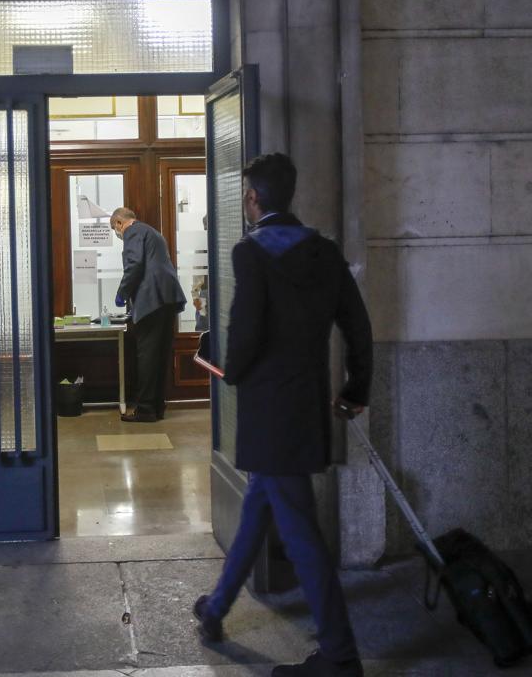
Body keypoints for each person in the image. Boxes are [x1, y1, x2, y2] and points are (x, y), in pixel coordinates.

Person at [191, 154, 373, 677]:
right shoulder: (325, 253)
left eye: (247, 194)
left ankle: (340, 656)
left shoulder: (250, 253)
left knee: (301, 535)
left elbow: (245, 331)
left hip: (268, 410)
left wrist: (232, 371)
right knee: (259, 507)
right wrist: (355, 388)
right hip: (306, 405)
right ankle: (217, 606)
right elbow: (357, 327)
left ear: (253, 199)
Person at [110, 207, 187, 423]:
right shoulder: (152, 232)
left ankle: (144, 411)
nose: (118, 234)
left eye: (115, 229)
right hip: (167, 299)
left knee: (147, 355)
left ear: (119, 223)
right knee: (161, 354)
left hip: (152, 300)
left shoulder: (132, 232)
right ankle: (156, 408)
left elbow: (134, 265)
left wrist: (121, 293)